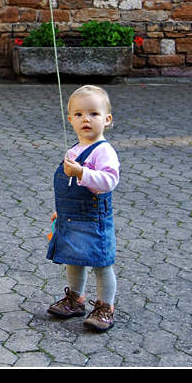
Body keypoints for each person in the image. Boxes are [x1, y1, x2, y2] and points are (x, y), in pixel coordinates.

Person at [45, 85, 120, 331]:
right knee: (73, 260)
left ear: (107, 119)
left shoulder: (103, 151)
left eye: (94, 114)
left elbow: (109, 181)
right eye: (78, 114)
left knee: (101, 263)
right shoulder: (74, 149)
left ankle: (105, 307)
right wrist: (61, 211)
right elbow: (69, 186)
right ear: (70, 120)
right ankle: (75, 299)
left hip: (94, 219)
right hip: (72, 218)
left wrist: (82, 173)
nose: (85, 119)